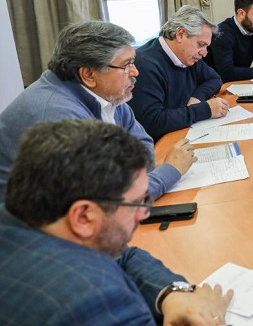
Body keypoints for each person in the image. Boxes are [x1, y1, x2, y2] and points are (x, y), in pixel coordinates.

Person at [0, 119, 233, 326]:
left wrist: (171, 293)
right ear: (83, 216)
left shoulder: (22, 218)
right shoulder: (86, 303)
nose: (144, 213)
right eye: (138, 203)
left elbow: (123, 254)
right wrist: (210, 317)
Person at [0, 21, 194, 201]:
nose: (135, 72)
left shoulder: (107, 95)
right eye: (126, 65)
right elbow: (108, 201)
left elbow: (142, 145)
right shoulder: (55, 117)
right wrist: (171, 170)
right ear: (88, 74)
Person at [130, 6, 228, 142]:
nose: (204, 53)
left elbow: (214, 79)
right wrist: (205, 109)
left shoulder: (189, 56)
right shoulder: (145, 65)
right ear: (180, 34)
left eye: (206, 47)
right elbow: (152, 122)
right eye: (201, 44)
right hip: (157, 146)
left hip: (182, 132)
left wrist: (197, 98)